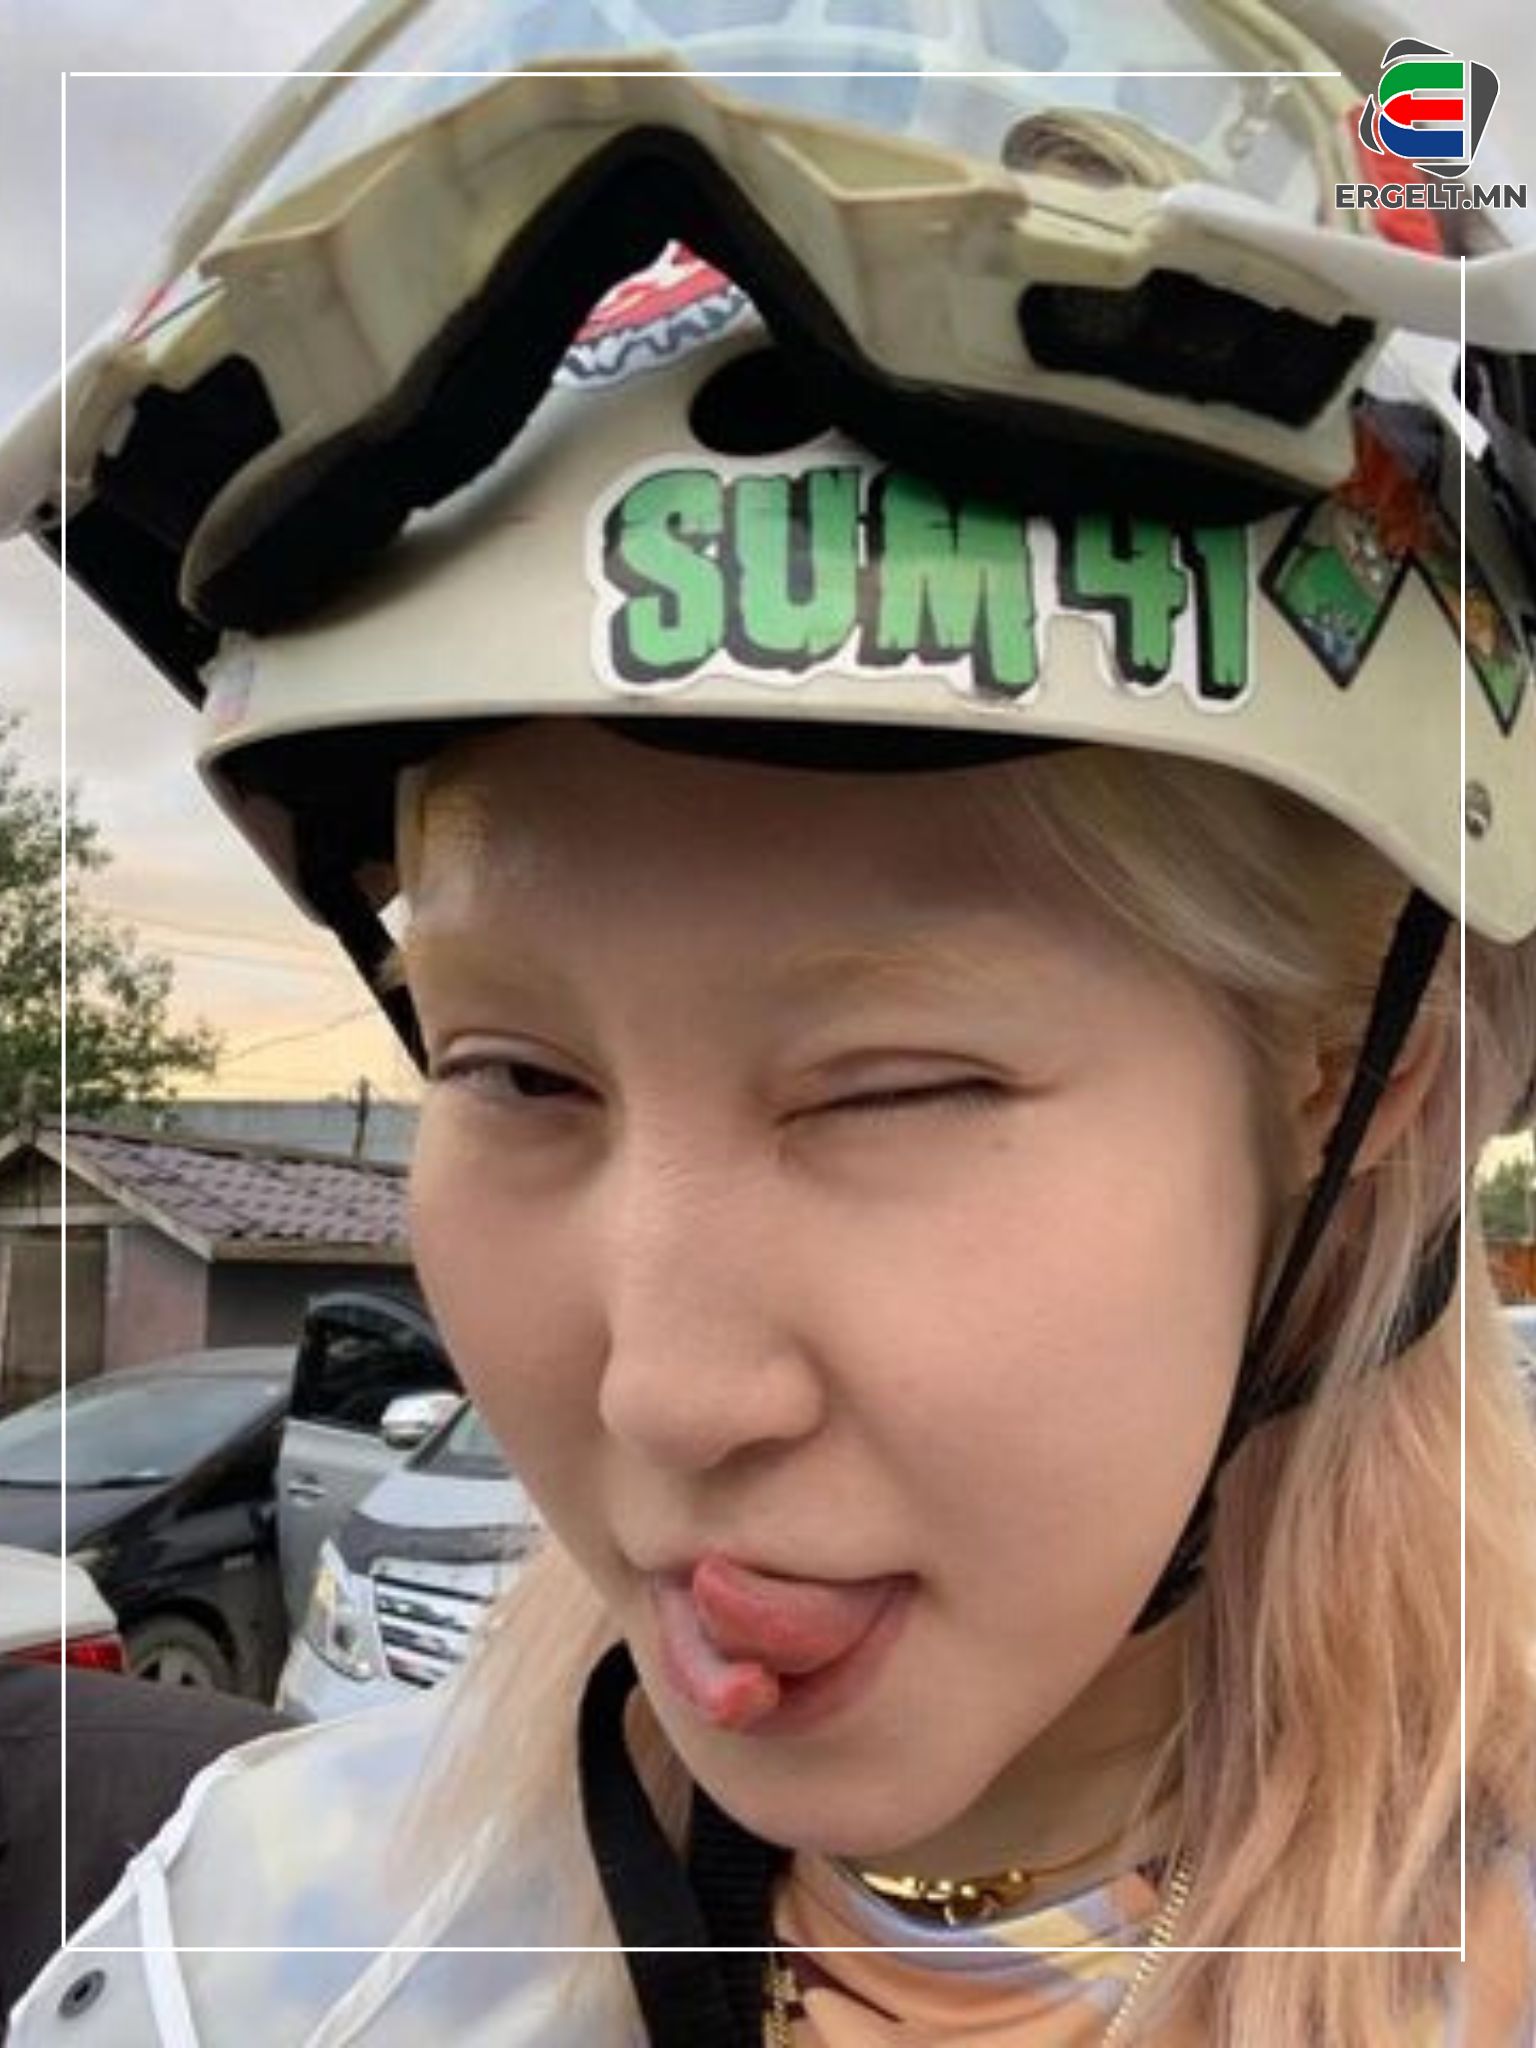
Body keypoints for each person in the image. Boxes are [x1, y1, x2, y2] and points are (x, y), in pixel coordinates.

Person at [3, 3, 1535, 2041]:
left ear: (1366, 1086)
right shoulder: (261, 1957)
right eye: (513, 1071)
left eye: (891, 1090)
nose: (666, 1395)